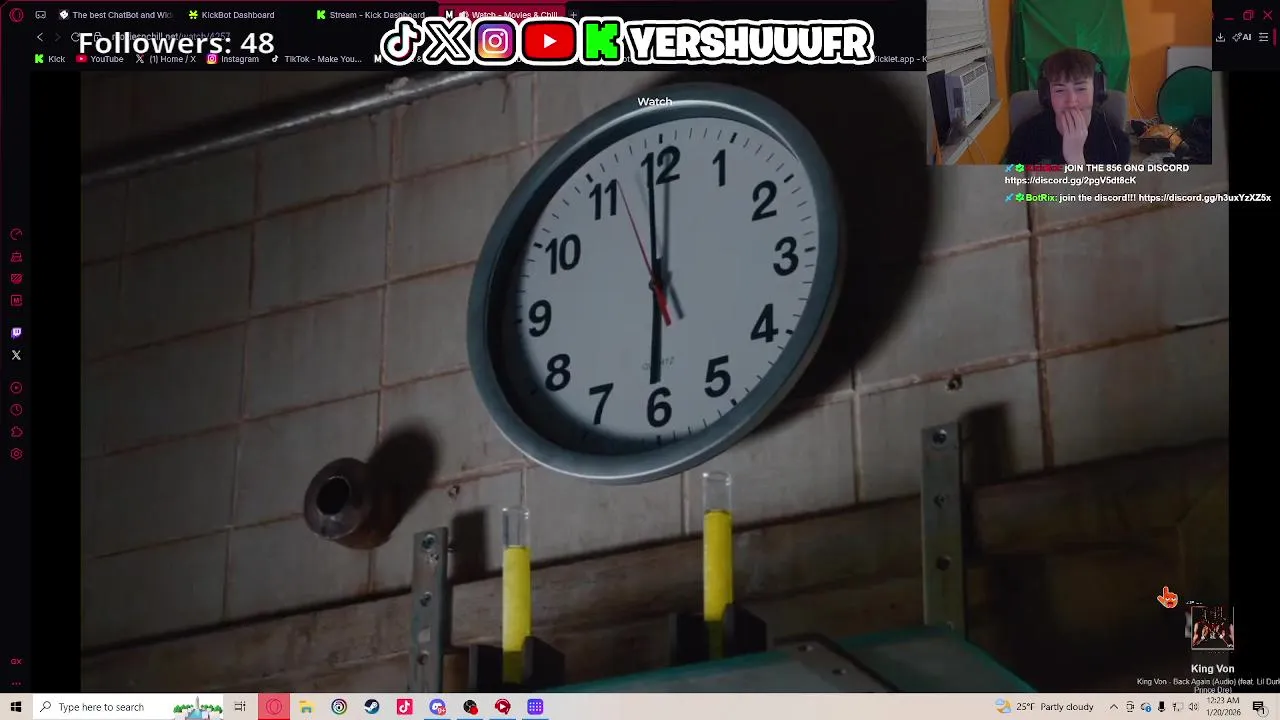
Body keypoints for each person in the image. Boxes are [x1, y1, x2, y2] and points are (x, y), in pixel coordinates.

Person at [1002, 48, 1130, 165]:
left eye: (1081, 89)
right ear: (1047, 95)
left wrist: (1077, 163)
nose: (1071, 102)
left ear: (1097, 91)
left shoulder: (1117, 143)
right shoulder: (1024, 136)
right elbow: (1012, 177)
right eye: (1059, 90)